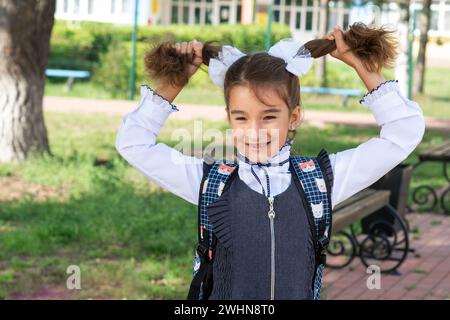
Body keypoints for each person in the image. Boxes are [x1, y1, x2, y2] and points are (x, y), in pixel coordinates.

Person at [115, 23, 425, 300]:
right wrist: (172, 84)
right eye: (241, 117)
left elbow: (403, 133)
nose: (253, 131)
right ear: (228, 118)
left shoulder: (321, 181)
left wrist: (364, 68)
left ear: (293, 117)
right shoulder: (211, 183)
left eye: (268, 117)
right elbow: (134, 143)